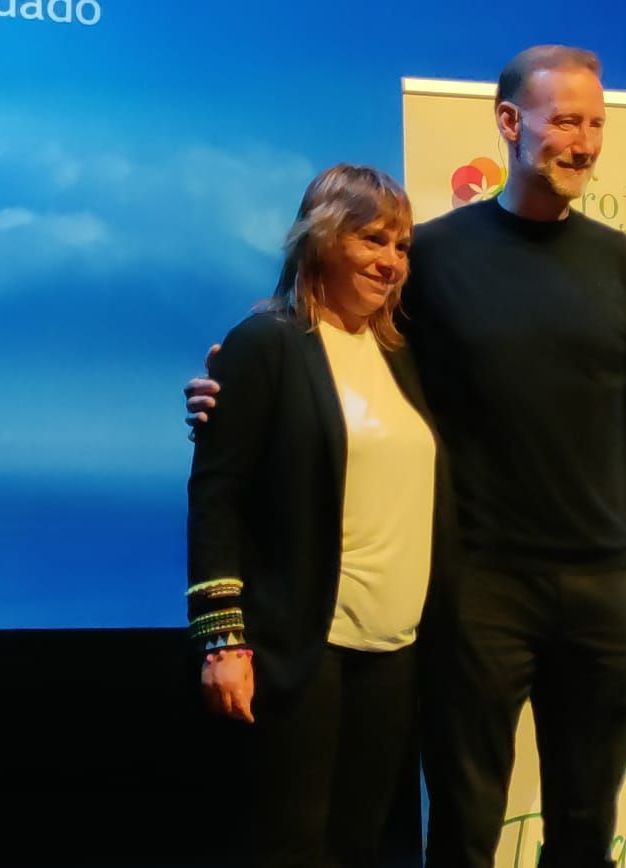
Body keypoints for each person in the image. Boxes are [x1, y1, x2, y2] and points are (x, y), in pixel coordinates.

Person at [186, 46, 626, 868]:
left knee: (581, 829)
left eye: (596, 123)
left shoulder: (622, 267)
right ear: (511, 124)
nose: (584, 142)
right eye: (566, 121)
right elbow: (312, 361)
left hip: (588, 595)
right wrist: (223, 397)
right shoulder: (432, 259)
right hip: (474, 593)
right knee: (456, 827)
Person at [186, 163, 452, 868]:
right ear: (323, 239)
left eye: (401, 246)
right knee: (289, 847)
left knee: (358, 846)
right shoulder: (266, 343)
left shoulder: (400, 356)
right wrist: (223, 642)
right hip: (299, 647)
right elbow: (218, 496)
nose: (391, 262)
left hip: (392, 650)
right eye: (373, 240)